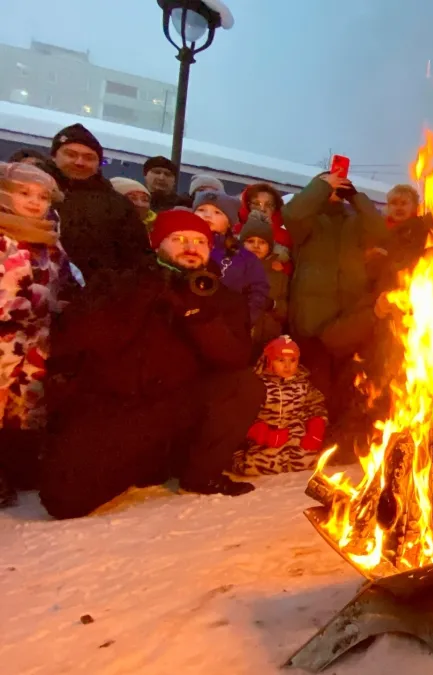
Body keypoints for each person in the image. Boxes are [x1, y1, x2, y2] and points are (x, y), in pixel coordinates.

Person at [39, 210, 262, 519]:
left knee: (244, 384)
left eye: (200, 241)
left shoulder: (222, 298)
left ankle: (199, 474)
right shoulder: (119, 281)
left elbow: (234, 358)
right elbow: (81, 338)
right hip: (119, 405)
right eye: (179, 239)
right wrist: (144, 294)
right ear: (157, 243)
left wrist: (198, 314)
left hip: (179, 405)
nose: (190, 247)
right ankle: (144, 462)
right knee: (64, 501)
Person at [282, 171, 387, 433]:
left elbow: (380, 229)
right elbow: (292, 214)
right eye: (329, 183)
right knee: (315, 391)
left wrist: (356, 197)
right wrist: (321, 185)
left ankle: (339, 445)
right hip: (312, 322)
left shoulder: (355, 223)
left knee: (347, 390)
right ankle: (311, 443)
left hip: (349, 321)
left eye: (339, 184)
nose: (334, 188)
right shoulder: (309, 223)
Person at [0, 162, 71, 507]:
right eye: (23, 193)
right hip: (3, 336)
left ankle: (19, 465)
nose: (33, 202)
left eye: (42, 196)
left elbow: (66, 283)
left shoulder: (51, 244)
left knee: (27, 404)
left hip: (38, 339)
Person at [46, 123, 153, 284]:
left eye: (89, 158)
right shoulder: (34, 192)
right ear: (54, 156)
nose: (80, 162)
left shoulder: (116, 204)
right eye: (71, 154)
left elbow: (138, 258)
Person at [234, 336, 327, 476]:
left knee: (310, 461)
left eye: (293, 360)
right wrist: (261, 433)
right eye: (281, 360)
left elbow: (315, 405)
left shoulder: (302, 383)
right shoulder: (258, 384)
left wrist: (316, 428)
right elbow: (242, 414)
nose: (287, 366)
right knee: (254, 466)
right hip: (266, 438)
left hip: (296, 436)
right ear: (269, 361)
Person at [193, 191, 271, 326]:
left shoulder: (245, 258)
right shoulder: (176, 244)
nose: (207, 215)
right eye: (201, 210)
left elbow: (258, 292)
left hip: (223, 327)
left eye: (217, 212)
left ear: (229, 222)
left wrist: (241, 323)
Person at [240, 212, 289, 346]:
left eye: (262, 242)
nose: (256, 246)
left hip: (267, 340)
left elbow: (285, 311)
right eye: (250, 241)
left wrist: (272, 304)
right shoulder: (231, 269)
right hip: (236, 337)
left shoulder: (279, 275)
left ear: (270, 247)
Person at [236, 182, 293, 269]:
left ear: (276, 208)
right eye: (256, 203)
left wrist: (284, 268)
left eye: (269, 205)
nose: (262, 209)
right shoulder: (235, 229)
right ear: (247, 205)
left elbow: (293, 266)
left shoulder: (285, 237)